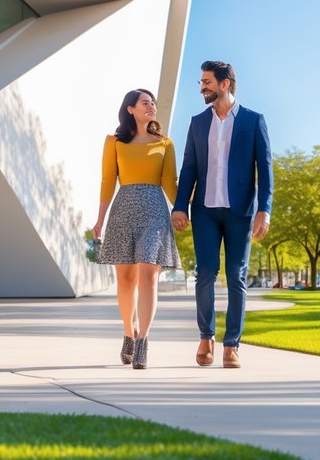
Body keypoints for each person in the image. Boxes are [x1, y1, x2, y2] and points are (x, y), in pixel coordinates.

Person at [171, 61, 273, 369]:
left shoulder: (254, 121)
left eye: (206, 81)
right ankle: (206, 338)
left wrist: (264, 210)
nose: (202, 87)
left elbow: (265, 170)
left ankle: (232, 345)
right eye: (201, 82)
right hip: (204, 210)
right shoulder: (197, 122)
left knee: (236, 276)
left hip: (240, 211)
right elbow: (188, 168)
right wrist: (179, 206)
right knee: (205, 273)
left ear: (224, 84)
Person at [93, 88, 181, 370]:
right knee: (126, 280)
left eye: (153, 102)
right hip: (123, 210)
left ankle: (143, 340)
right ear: (131, 108)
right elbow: (108, 180)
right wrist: (100, 219)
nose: (152, 106)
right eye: (146, 102)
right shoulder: (115, 142)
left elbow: (170, 182)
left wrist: (183, 208)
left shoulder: (165, 143)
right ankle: (128, 332)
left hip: (155, 211)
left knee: (149, 275)